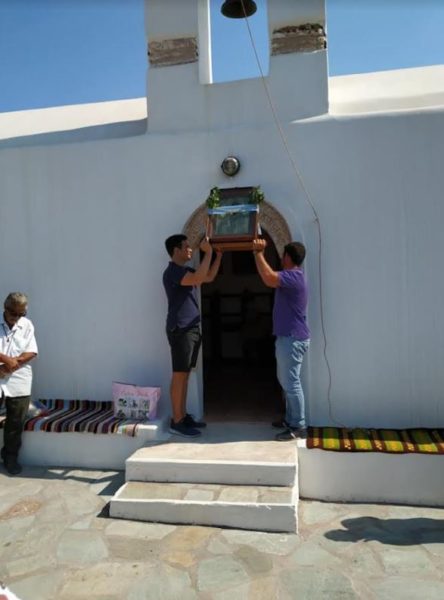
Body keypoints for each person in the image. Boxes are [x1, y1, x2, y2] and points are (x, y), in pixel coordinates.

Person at [163, 234, 222, 437]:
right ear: (176, 250)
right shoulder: (172, 272)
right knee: (179, 374)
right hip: (180, 328)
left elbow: (207, 277)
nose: (190, 249)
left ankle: (183, 415)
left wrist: (217, 256)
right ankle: (176, 421)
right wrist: (208, 253)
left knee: (186, 374)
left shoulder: (185, 271)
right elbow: (197, 278)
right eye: (186, 246)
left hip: (191, 328)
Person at [252, 239, 310, 441]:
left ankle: (299, 425)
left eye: (283, 255)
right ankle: (291, 419)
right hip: (289, 338)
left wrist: (258, 253)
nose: (281, 258)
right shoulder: (293, 276)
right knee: (287, 381)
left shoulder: (293, 276)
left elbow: (268, 278)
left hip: (292, 339)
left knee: (291, 383)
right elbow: (270, 277)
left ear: (287, 257)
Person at [0, 292, 38, 474]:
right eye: (13, 313)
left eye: (21, 314)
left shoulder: (27, 324)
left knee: (15, 423)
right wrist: (5, 359)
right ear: (5, 308)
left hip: (19, 378)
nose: (16, 317)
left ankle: (10, 457)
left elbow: (32, 352)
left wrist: (10, 366)